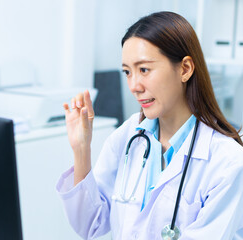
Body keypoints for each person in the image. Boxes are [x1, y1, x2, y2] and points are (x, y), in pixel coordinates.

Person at [56, 11, 243, 240]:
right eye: (127, 72)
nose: (134, 85)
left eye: (144, 69)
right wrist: (81, 150)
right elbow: (91, 224)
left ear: (185, 69)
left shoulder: (227, 161)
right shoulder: (127, 136)